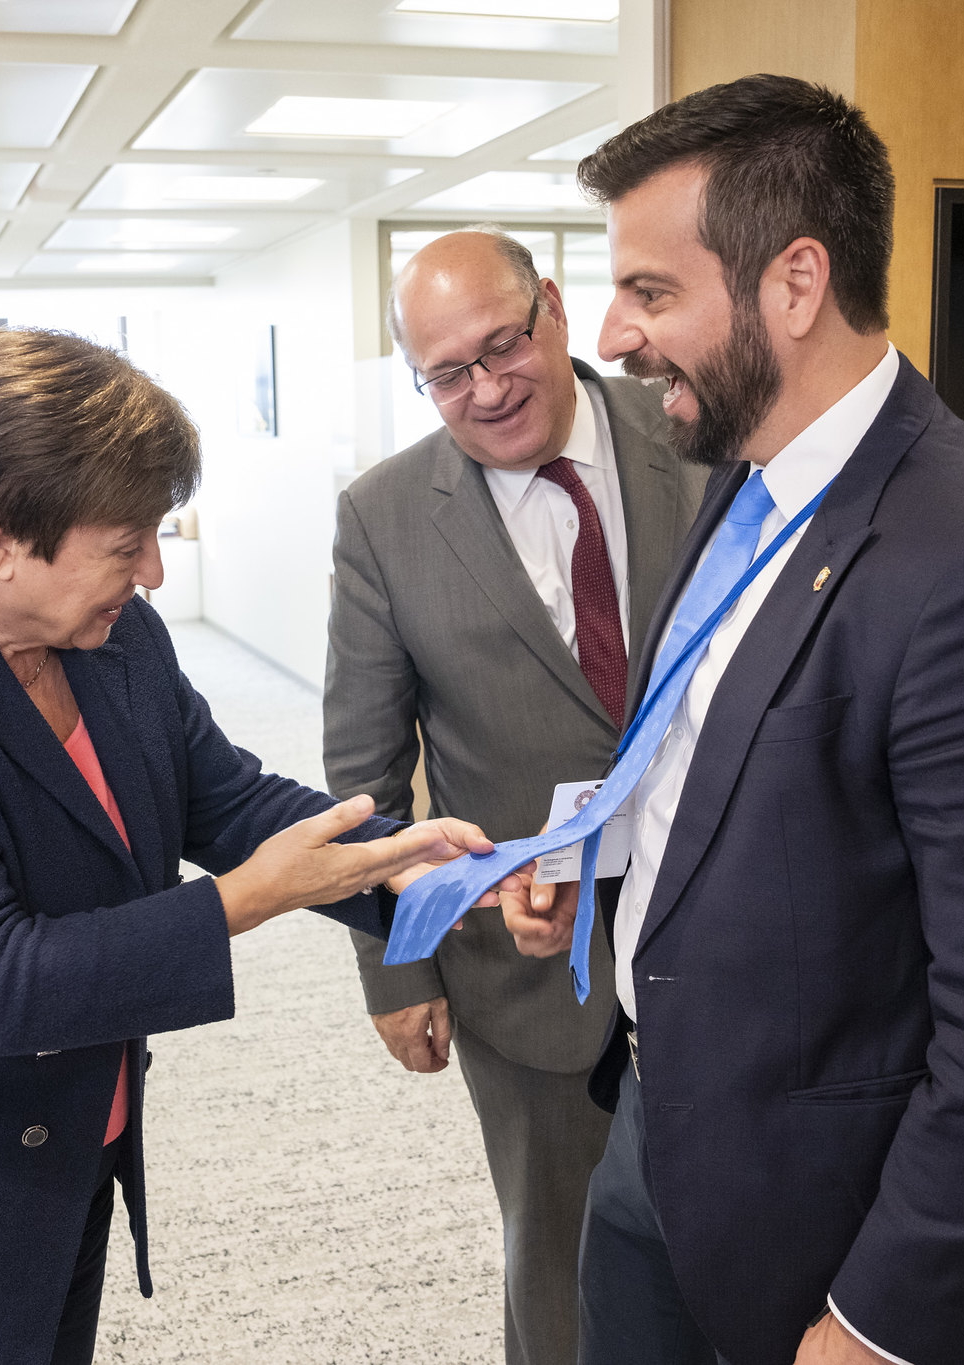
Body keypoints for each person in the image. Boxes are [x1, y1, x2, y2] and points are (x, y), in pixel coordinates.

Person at [0, 328, 503, 1365]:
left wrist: (411, 865)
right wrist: (245, 900)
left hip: (49, 1154)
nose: (153, 571)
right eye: (126, 544)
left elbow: (227, 796)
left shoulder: (111, 639)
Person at [502, 76, 964, 1365]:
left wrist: (881, 1322)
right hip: (654, 1125)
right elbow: (719, 768)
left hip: (825, 1225)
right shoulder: (745, 487)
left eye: (650, 292)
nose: (612, 337)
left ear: (794, 284)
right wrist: (597, 865)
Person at [326, 227, 707, 1365]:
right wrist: (395, 966)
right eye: (447, 373)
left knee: (732, 1239)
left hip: (721, 924)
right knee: (563, 1261)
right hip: (527, 968)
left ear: (551, 304)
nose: (486, 390)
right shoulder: (383, 517)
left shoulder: (696, 432)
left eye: (503, 345)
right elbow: (362, 767)